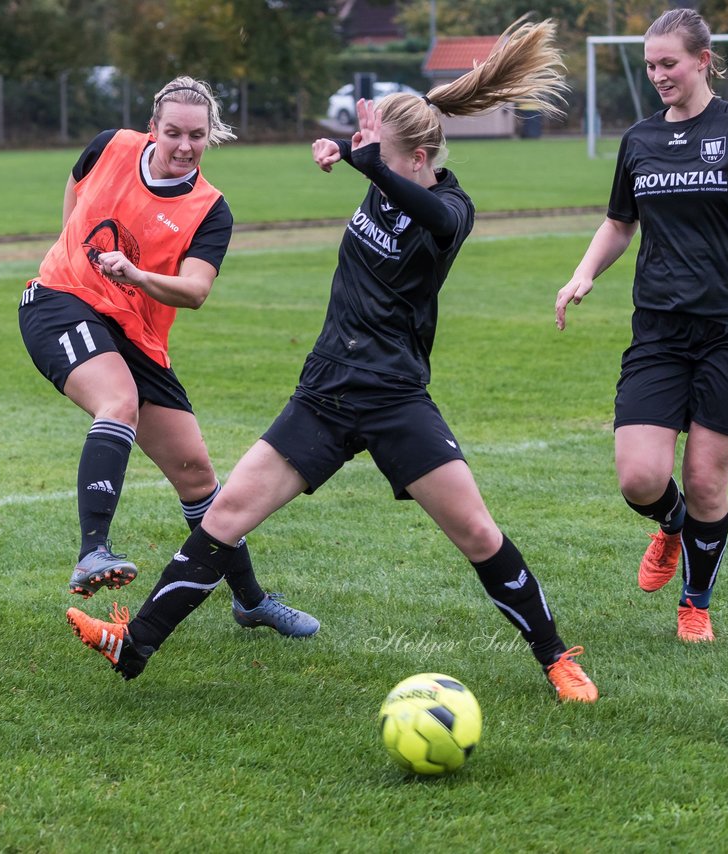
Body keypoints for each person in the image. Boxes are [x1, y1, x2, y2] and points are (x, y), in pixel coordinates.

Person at [66, 19, 599, 703]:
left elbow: (428, 215)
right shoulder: (386, 172)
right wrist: (358, 148)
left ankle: (555, 657)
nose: (377, 163)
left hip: (394, 396)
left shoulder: (452, 209)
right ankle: (131, 646)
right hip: (324, 390)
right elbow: (384, 166)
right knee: (224, 519)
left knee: (474, 530)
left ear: (418, 158)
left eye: (388, 156)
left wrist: (366, 158)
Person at [18, 76, 319, 638]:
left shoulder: (210, 210)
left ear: (210, 137)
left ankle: (250, 602)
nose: (184, 145)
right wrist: (68, 248)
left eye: (197, 136)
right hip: (59, 302)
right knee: (118, 401)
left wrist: (133, 274)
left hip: (137, 335)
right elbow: (77, 180)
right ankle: (92, 552)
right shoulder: (111, 144)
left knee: (197, 475)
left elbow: (196, 290)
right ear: (152, 127)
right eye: (174, 132)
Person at [555, 9, 728, 644]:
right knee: (640, 478)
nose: (658, 76)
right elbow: (621, 221)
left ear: (703, 60)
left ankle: (695, 603)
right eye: (650, 66)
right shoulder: (640, 139)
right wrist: (584, 273)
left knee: (707, 480)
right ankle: (670, 524)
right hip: (660, 330)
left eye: (668, 63)